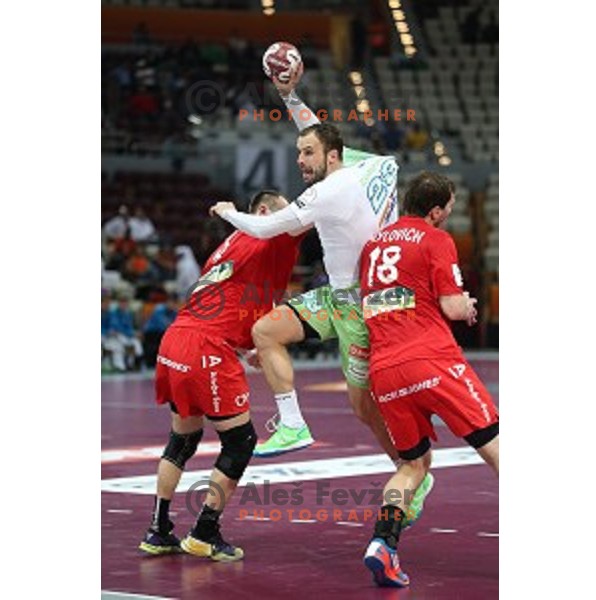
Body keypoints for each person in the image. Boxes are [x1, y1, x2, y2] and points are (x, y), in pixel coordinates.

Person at [210, 65, 434, 528]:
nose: (299, 161)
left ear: (331, 158)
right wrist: (290, 97)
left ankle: (411, 469)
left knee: (362, 407)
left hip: (363, 306)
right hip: (336, 295)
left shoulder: (327, 193)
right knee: (265, 330)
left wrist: (230, 212)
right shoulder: (365, 163)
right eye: (298, 153)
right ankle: (293, 423)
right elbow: (315, 131)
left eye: (307, 155)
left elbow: (267, 227)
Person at [139, 190, 307, 561]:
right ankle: (204, 531)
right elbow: (315, 210)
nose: (292, 214)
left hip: (176, 339)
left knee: (182, 440)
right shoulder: (272, 232)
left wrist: (252, 346)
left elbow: (229, 299)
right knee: (240, 441)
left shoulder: (230, 244)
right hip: (205, 347)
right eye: (284, 208)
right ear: (263, 212)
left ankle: (158, 528)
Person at [358, 172, 499, 587]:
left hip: (385, 369)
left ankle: (383, 544)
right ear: (436, 210)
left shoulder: (373, 245)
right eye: (450, 208)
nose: (450, 214)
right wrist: (469, 304)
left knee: (412, 465)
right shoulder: (435, 238)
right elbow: (454, 308)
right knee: (495, 446)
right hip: (431, 359)